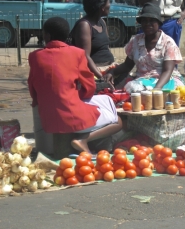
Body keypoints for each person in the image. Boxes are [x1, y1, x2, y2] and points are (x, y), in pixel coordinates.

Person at [28, 17, 123, 155]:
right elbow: (89, 87)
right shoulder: (77, 53)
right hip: (72, 119)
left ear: (46, 35)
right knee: (118, 120)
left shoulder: (35, 56)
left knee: (103, 102)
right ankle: (83, 140)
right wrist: (76, 96)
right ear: (67, 36)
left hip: (47, 119)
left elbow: (33, 87)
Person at [104, 2, 185, 90]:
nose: (148, 24)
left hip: (166, 81)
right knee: (128, 87)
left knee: (138, 89)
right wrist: (112, 71)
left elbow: (167, 71)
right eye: (144, 21)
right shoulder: (136, 41)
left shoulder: (168, 42)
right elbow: (127, 66)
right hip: (143, 81)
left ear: (158, 23)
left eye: (151, 20)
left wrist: (156, 89)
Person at [71, 0, 114, 80]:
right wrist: (101, 78)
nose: (110, 5)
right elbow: (85, 56)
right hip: (95, 72)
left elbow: (105, 47)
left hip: (108, 69)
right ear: (102, 7)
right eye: (108, 2)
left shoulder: (101, 22)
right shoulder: (84, 25)